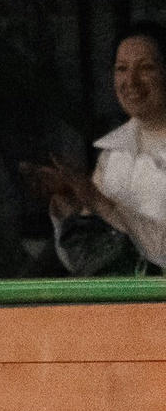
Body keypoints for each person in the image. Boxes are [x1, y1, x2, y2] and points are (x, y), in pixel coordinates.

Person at [25, 21, 166, 275]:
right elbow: (88, 259)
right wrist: (68, 199)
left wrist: (95, 199)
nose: (130, 81)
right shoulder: (112, 156)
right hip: (115, 306)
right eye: (121, 69)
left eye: (146, 68)